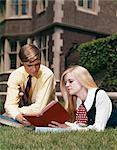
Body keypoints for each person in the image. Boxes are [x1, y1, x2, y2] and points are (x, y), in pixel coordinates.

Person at [3, 44, 57, 126]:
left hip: (48, 114)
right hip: (25, 114)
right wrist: (17, 116)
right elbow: (10, 104)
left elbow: (39, 108)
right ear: (22, 62)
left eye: (37, 64)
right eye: (29, 65)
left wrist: (14, 111)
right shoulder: (16, 75)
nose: (34, 69)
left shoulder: (47, 74)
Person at [48, 65, 112, 131]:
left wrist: (70, 128)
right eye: (65, 82)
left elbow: (99, 128)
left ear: (82, 80)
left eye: (71, 81)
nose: (67, 85)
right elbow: (82, 125)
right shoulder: (78, 100)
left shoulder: (100, 95)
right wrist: (63, 125)